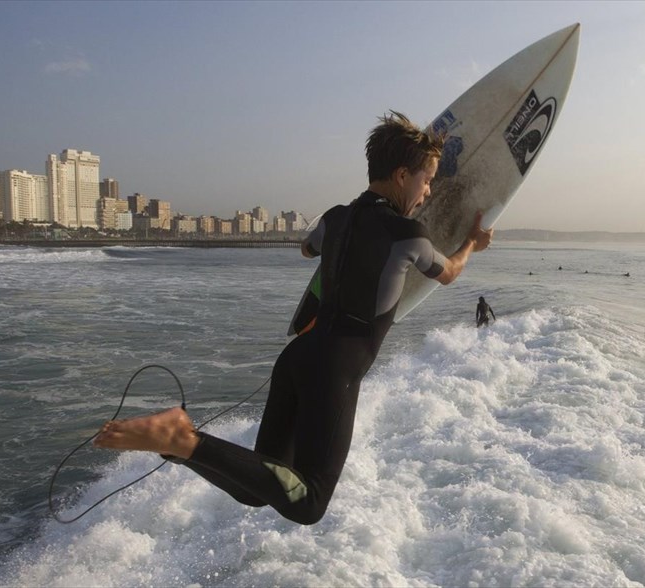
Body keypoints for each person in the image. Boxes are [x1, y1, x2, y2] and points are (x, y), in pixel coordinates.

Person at [94, 111, 493, 525]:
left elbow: (308, 249)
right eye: (426, 180)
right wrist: (470, 243)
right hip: (335, 369)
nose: (428, 191)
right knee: (309, 502)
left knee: (257, 490)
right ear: (401, 176)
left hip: (298, 356)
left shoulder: (336, 218)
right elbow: (448, 273)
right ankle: (182, 441)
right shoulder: (410, 236)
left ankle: (176, 443)